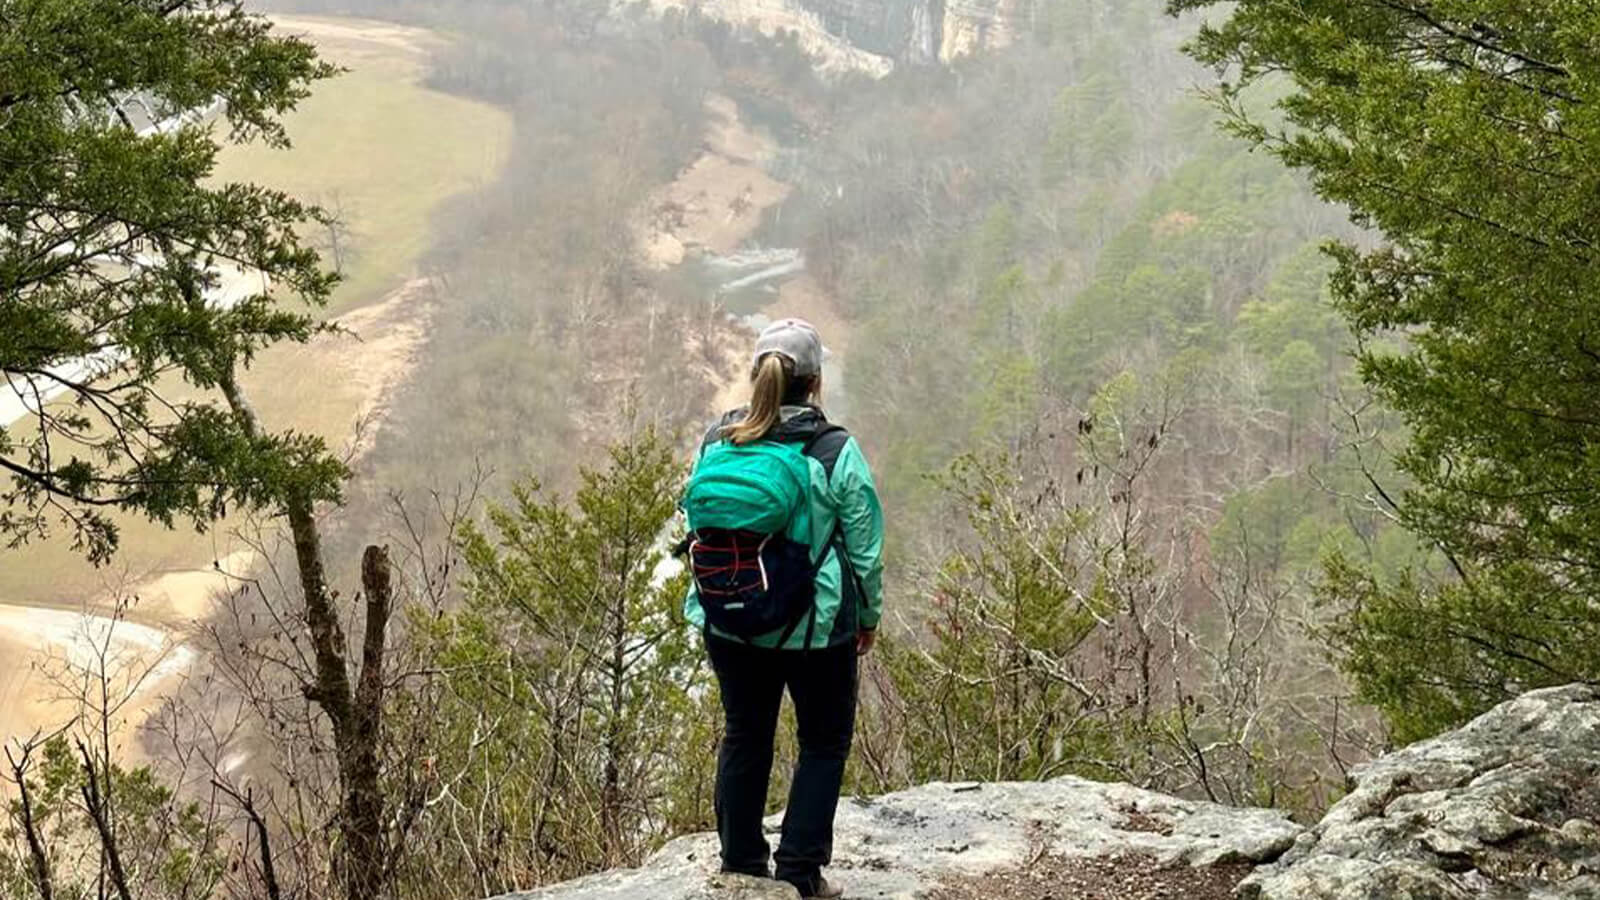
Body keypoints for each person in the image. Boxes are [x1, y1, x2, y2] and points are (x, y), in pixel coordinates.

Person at [682, 318, 885, 900]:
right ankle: (799, 873)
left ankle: (743, 864)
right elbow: (865, 548)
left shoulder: (718, 440)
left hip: (729, 623)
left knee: (746, 735)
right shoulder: (833, 451)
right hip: (813, 629)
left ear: (755, 376)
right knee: (822, 742)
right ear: (816, 383)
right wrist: (866, 617)